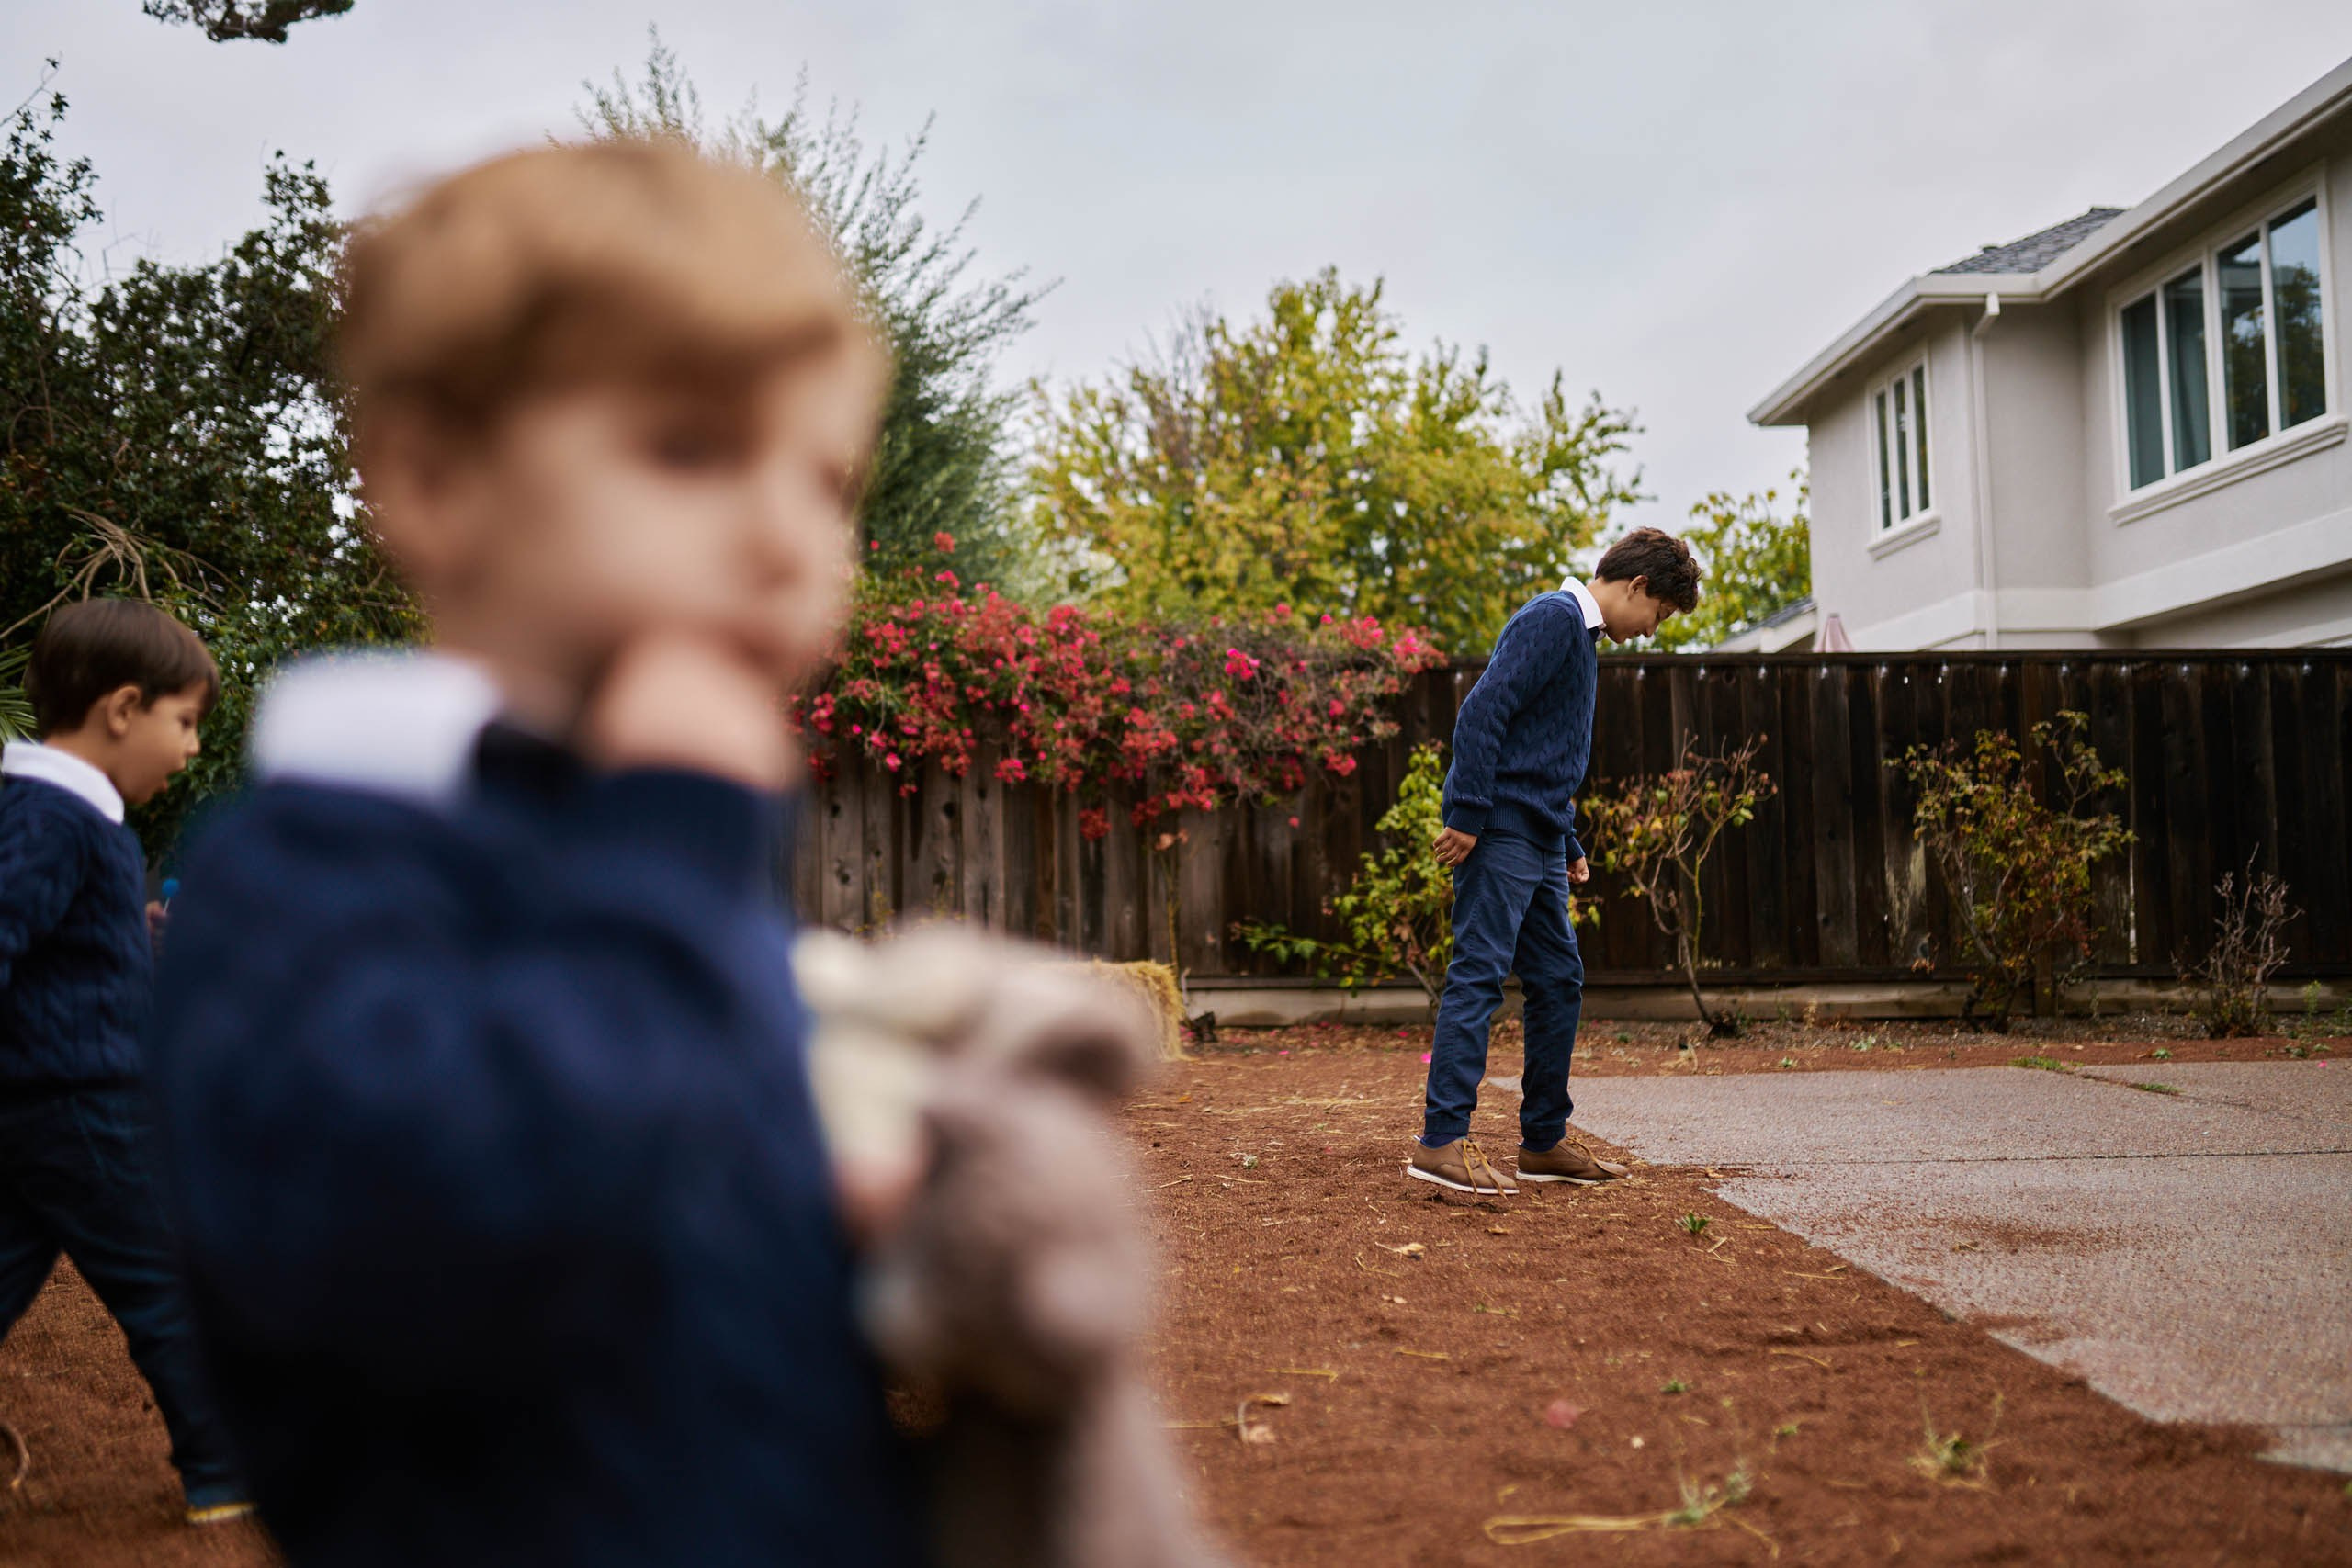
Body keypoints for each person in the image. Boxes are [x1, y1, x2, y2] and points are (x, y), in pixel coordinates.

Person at [145, 140, 924, 1566]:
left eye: (827, 480)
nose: (787, 538)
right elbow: (446, 1229)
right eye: (690, 448)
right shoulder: (307, 873)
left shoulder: (644, 857)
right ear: (435, 479)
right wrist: (676, 833)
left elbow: (680, 1215)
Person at [0, 598, 249, 1525]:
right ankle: (225, 1467)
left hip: (36, 1103)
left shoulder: (66, 819)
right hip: (84, 1104)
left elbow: (61, 960)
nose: (189, 750)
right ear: (121, 708)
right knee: (166, 1277)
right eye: (183, 722)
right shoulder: (59, 818)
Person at [1407, 528, 1701, 1197]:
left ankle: (1543, 1140)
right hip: (1502, 830)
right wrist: (1468, 813)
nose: (1653, 631)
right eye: (1658, 615)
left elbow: (1543, 752)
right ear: (1637, 587)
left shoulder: (1581, 638)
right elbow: (1483, 713)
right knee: (1479, 973)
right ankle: (1441, 1141)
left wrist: (1565, 842)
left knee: (1559, 978)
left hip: (1538, 837)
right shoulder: (1553, 618)